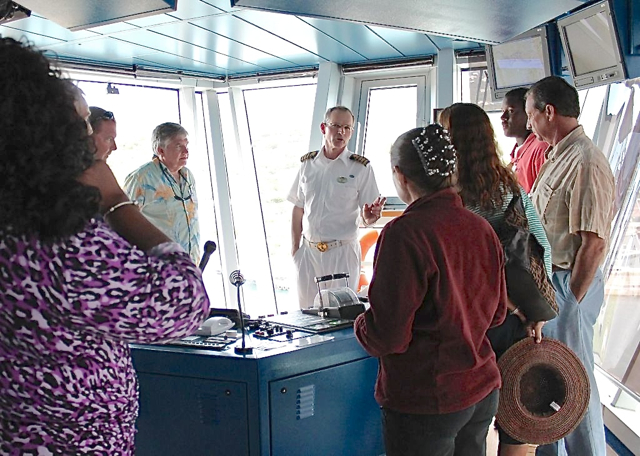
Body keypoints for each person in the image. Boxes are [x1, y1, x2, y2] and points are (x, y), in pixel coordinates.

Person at [0, 37, 210, 455]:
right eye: (81, 125)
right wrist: (117, 202)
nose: (92, 141)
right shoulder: (55, 238)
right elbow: (185, 303)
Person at [354, 124, 507, 456]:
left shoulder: (404, 233)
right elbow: (496, 314)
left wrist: (359, 321)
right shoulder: (481, 227)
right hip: (480, 389)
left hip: (427, 398)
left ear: (400, 175)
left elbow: (389, 336)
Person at [440, 102, 553, 456]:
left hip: (467, 325)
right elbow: (541, 247)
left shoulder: (447, 198)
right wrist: (532, 311)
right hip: (512, 319)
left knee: (466, 430)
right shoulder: (510, 187)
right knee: (515, 423)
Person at [526, 76, 615, 456]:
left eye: (532, 115)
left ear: (549, 111)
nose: (529, 124)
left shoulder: (586, 160)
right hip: (552, 284)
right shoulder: (557, 154)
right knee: (551, 383)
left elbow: (593, 244)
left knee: (576, 384)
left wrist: (571, 303)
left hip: (569, 285)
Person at [288, 106, 385, 309]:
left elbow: (368, 217)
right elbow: (298, 207)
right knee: (306, 313)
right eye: (336, 126)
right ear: (324, 128)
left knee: (341, 314)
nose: (341, 132)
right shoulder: (308, 164)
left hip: (342, 252)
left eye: (347, 128)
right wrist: (295, 249)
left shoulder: (360, 168)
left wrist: (370, 217)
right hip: (309, 252)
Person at [124, 122, 201, 263]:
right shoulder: (141, 178)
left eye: (186, 145)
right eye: (178, 146)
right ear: (160, 150)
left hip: (191, 265)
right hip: (160, 267)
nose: (186, 151)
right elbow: (124, 225)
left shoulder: (188, 176)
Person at [501, 87, 549, 193]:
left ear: (528, 112)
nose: (503, 117)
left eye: (511, 111)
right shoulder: (516, 154)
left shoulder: (540, 149)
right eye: (502, 111)